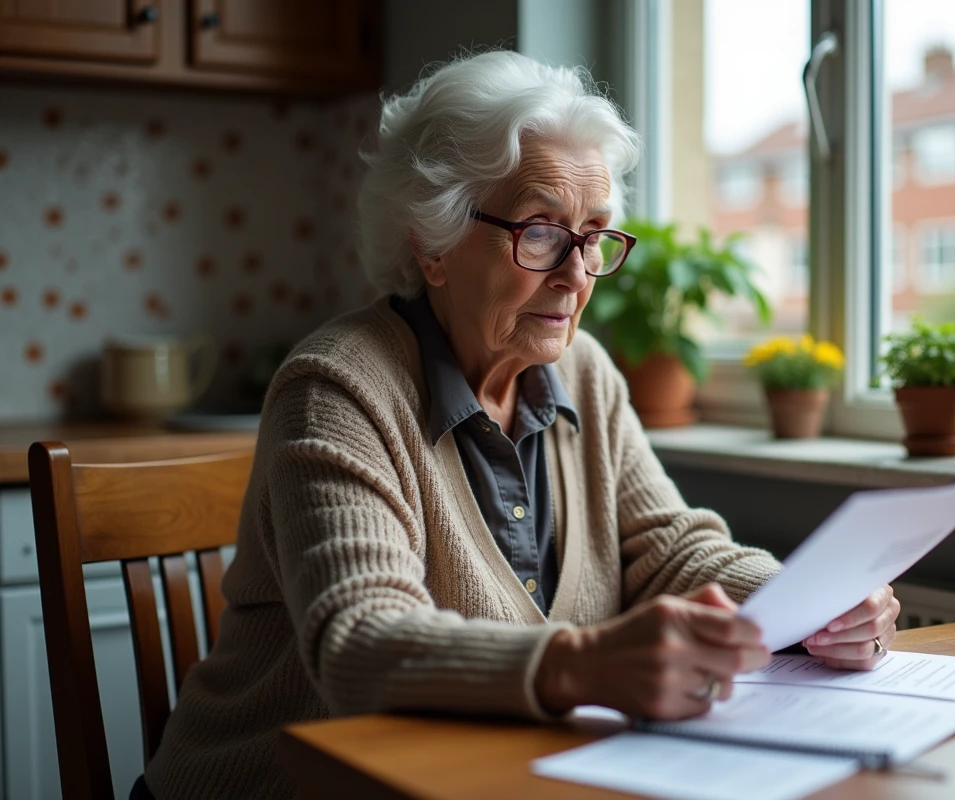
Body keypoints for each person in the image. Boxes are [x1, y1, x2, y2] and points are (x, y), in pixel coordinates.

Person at [140, 50, 900, 799]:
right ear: (432, 245)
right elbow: (361, 643)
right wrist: (582, 664)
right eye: (540, 231)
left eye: (593, 235)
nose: (575, 275)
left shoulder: (585, 370)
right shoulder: (336, 389)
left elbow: (666, 548)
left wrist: (805, 603)